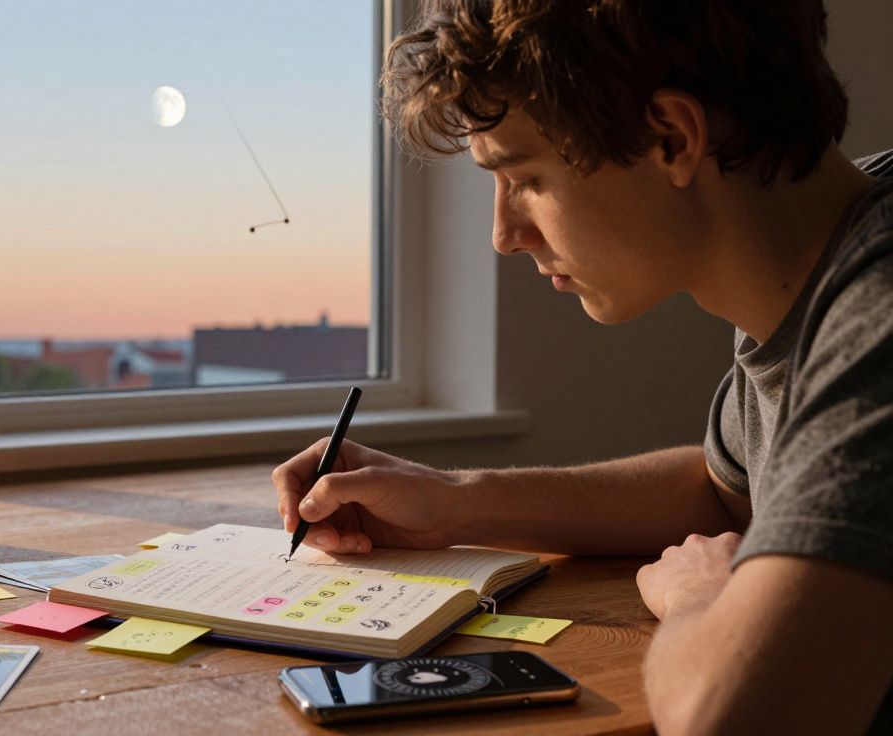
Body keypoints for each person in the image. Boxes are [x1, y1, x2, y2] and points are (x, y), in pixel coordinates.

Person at [272, 1, 893, 733]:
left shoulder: (875, 322)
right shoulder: (820, 256)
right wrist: (450, 499)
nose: (504, 235)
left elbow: (735, 714)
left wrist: (703, 598)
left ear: (671, 138)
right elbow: (732, 492)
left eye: (524, 178)